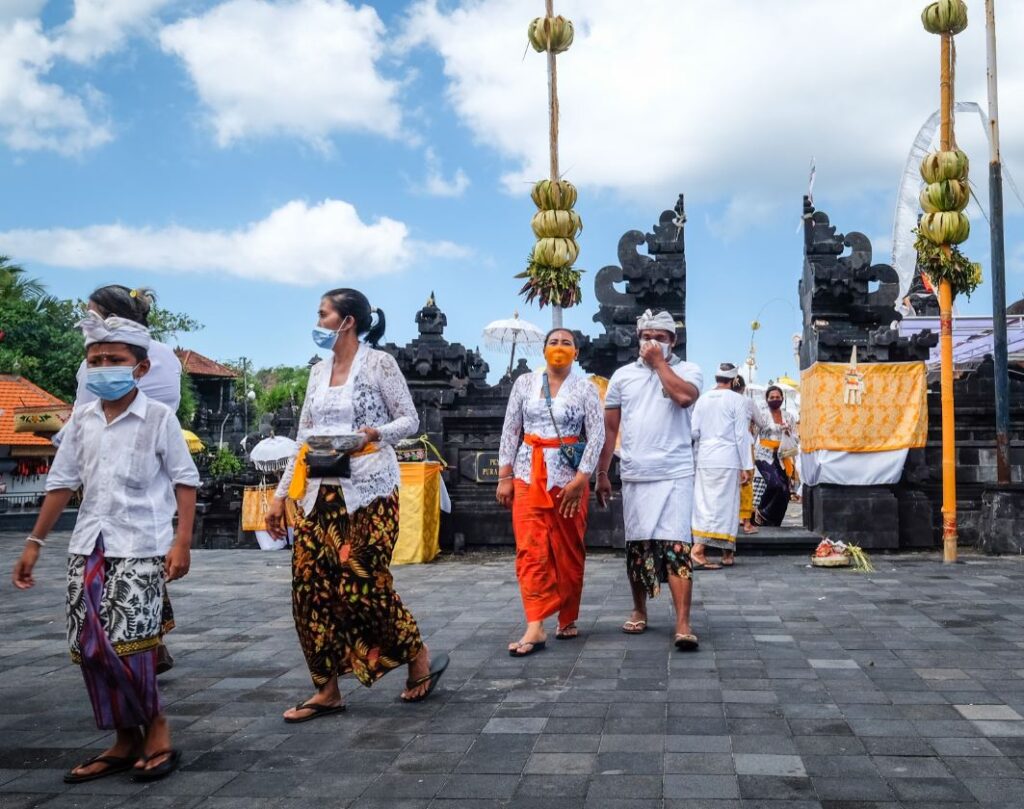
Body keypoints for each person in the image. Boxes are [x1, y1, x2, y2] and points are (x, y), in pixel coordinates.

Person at [12, 313, 199, 783]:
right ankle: (123, 737)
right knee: (90, 646)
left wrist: (182, 542)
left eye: (114, 359)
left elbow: (185, 480)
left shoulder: (158, 418)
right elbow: (61, 482)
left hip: (141, 544)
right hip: (88, 543)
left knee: (131, 645)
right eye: (94, 360)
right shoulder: (82, 421)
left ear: (139, 368)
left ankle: (155, 727)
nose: (102, 367)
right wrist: (34, 542)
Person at [265, 288, 448, 721]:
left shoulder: (379, 363)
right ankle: (325, 689)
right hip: (318, 492)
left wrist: (373, 435)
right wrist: (278, 497)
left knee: (362, 584)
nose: (318, 321)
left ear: (347, 321)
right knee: (308, 588)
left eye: (323, 314)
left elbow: (409, 419)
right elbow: (303, 438)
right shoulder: (316, 372)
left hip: (368, 491)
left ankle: (416, 655)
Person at [59, 285, 182, 674]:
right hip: (154, 471)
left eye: (92, 315)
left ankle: (129, 646)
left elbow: (86, 415)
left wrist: (60, 433)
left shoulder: (98, 362)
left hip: (113, 470)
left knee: (114, 561)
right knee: (142, 556)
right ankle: (149, 639)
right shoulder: (164, 355)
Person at [596, 309, 703, 651]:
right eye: (647, 336)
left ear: (673, 341)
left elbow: (685, 398)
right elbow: (610, 429)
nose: (652, 342)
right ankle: (639, 609)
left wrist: (659, 365)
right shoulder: (622, 376)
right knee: (637, 546)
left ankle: (683, 623)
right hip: (636, 472)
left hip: (675, 472)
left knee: (676, 546)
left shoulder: (687, 371)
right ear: (637, 338)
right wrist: (602, 473)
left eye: (660, 337)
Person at [496, 328, 604, 655]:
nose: (559, 348)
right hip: (528, 473)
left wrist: (583, 477)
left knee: (568, 548)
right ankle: (535, 624)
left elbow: (596, 436)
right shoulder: (525, 384)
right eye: (554, 342)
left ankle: (567, 616)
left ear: (577, 353)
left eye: (566, 343)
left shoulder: (586, 389)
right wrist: (504, 475)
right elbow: (511, 428)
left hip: (569, 479)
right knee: (530, 549)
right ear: (544, 350)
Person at [690, 364, 754, 569]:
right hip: (727, 458)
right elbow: (741, 434)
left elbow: (694, 432)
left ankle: (728, 552)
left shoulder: (702, 399)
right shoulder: (738, 400)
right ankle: (698, 550)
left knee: (706, 504)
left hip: (705, 458)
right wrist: (746, 465)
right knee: (724, 506)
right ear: (734, 380)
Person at [752, 385, 798, 527]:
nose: (775, 399)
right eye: (772, 397)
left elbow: (795, 439)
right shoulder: (761, 415)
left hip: (782, 455)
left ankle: (773, 522)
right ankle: (761, 512)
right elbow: (753, 436)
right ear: (766, 399)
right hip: (764, 454)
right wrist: (749, 456)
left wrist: (789, 432)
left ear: (782, 399)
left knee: (784, 492)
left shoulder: (789, 416)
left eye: (778, 397)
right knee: (776, 484)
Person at [732, 375, 767, 535]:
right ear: (744, 388)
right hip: (745, 445)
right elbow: (761, 423)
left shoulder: (719, 400)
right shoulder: (747, 401)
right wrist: (752, 435)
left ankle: (733, 520)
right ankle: (746, 522)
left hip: (726, 447)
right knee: (746, 483)